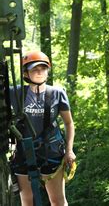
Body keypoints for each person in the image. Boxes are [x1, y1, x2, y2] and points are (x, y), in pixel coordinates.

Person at [10, 51, 76, 206]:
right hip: (23, 152)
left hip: (51, 151)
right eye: (34, 69)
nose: (40, 72)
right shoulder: (16, 92)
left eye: (43, 68)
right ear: (26, 73)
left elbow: (69, 123)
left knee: (58, 201)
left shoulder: (57, 93)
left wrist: (69, 150)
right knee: (28, 201)